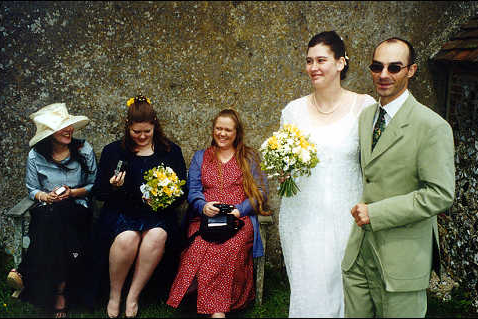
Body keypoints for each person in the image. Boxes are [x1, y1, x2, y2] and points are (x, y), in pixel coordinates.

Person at [341, 37, 456, 317]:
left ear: (411, 70)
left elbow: (440, 194)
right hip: (359, 254)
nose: (383, 75)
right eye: (377, 66)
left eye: (394, 67)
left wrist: (377, 213)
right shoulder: (367, 116)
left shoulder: (432, 126)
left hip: (401, 259)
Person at [278, 31, 376, 318]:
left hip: (348, 214)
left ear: (341, 63)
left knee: (346, 291)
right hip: (303, 215)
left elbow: (376, 163)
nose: (313, 67)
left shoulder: (365, 107)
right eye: (309, 61)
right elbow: (285, 160)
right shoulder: (293, 111)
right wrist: (283, 170)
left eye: (321, 60)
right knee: (310, 291)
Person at [166, 109, 269, 318]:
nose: (222, 133)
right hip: (206, 218)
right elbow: (193, 190)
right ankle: (208, 303)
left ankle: (217, 311)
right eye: (218, 129)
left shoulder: (249, 157)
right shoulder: (201, 157)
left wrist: (239, 209)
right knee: (201, 246)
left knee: (228, 249)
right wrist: (203, 205)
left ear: (237, 132)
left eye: (227, 130)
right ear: (213, 130)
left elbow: (260, 193)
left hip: (239, 219)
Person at [92, 94, 187, 318]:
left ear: (155, 125)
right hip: (122, 212)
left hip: (158, 214)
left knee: (155, 236)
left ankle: (133, 295)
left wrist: (166, 197)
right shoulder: (113, 151)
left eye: (147, 131)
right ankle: (115, 295)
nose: (142, 136)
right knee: (128, 238)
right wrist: (113, 187)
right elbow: (99, 192)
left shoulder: (170, 151)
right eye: (137, 132)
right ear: (128, 127)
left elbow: (181, 193)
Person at [6, 103, 97, 318]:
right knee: (53, 219)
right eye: (61, 127)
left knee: (59, 215)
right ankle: (60, 293)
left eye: (69, 126)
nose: (68, 130)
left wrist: (72, 193)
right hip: (46, 212)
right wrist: (45, 196)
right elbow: (32, 189)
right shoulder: (35, 156)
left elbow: (95, 184)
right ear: (48, 133)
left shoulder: (84, 150)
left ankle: (25, 273)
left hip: (76, 211)